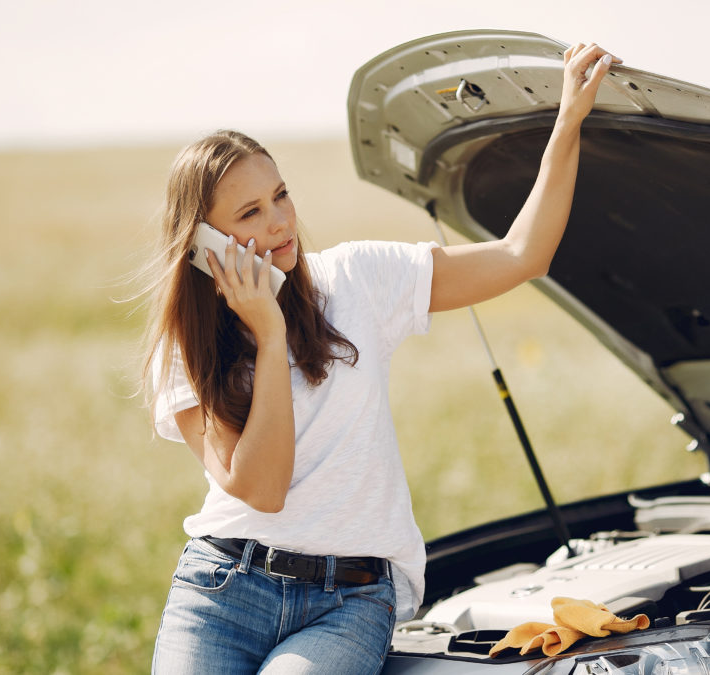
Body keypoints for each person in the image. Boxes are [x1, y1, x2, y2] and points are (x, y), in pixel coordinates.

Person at [143, 42, 618, 674]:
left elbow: (521, 255)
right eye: (251, 212)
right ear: (204, 243)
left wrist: (567, 123)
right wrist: (269, 331)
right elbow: (261, 487)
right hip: (223, 587)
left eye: (280, 195)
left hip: (349, 601)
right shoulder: (185, 345)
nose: (281, 222)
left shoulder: (357, 280)